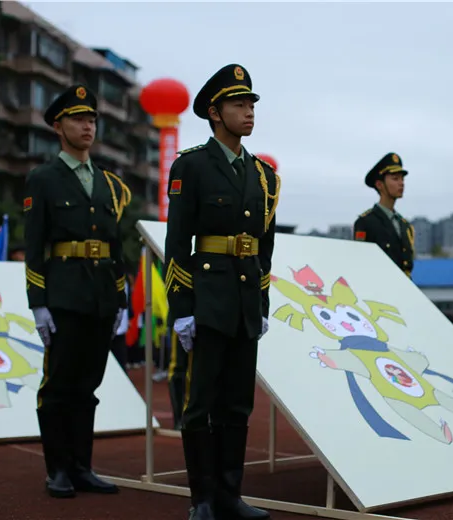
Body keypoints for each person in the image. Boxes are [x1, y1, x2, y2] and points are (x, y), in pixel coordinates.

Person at [163, 63, 280, 520]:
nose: (249, 112)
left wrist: (263, 303)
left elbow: (264, 248)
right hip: (207, 297)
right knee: (201, 403)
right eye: (239, 104)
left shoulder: (263, 175)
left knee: (237, 403)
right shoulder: (190, 165)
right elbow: (177, 242)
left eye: (251, 104)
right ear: (215, 112)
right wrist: (182, 308)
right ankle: (203, 499)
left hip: (245, 299)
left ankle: (230, 495)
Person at [23, 84, 131, 498]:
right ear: (58, 126)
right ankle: (59, 470)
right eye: (78, 119)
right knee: (59, 386)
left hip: (101, 295)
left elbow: (115, 243)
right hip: (63, 294)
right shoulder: (43, 178)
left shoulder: (109, 183)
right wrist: (39, 304)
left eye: (91, 119)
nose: (87, 126)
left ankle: (82, 467)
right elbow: (34, 246)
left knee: (89, 385)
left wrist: (120, 296)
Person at [353, 153, 415, 277]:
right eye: (395, 179)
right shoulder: (365, 222)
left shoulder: (406, 227)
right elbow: (361, 265)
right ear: (379, 185)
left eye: (402, 179)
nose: (401, 183)